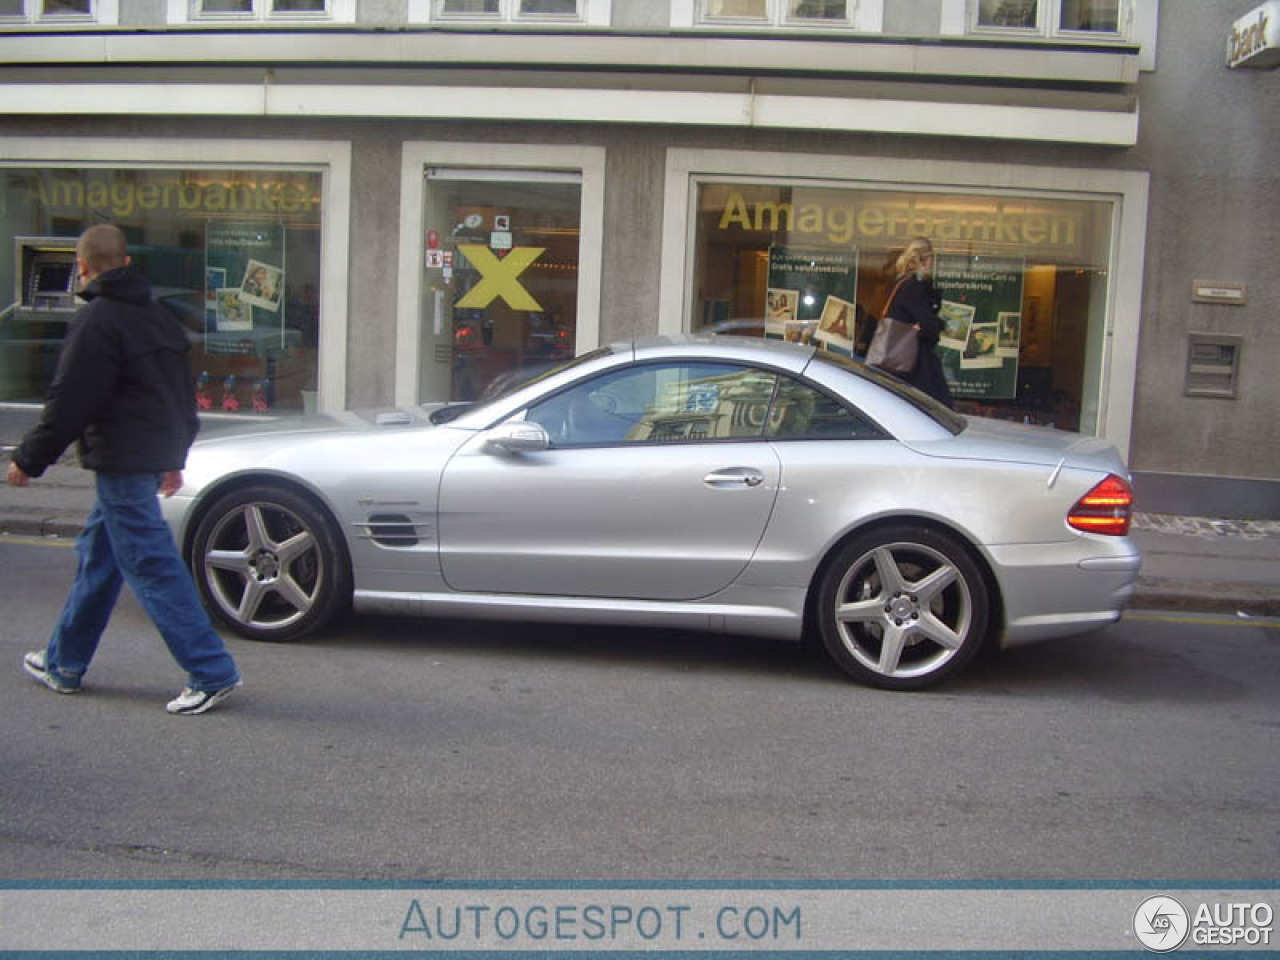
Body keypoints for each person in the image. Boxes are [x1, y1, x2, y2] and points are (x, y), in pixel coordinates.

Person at [8, 224, 241, 715]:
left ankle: (210, 669)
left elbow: (69, 401)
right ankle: (63, 662)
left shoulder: (97, 321)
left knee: (151, 563)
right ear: (129, 262)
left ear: (84, 267)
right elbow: (182, 396)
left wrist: (28, 459)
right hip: (145, 458)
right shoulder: (158, 317)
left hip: (120, 460)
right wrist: (174, 458)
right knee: (100, 557)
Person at [883, 237, 954, 408]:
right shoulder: (914, 287)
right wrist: (936, 326)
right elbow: (929, 327)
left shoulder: (900, 284)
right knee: (933, 408)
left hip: (898, 357)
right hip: (912, 362)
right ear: (927, 260)